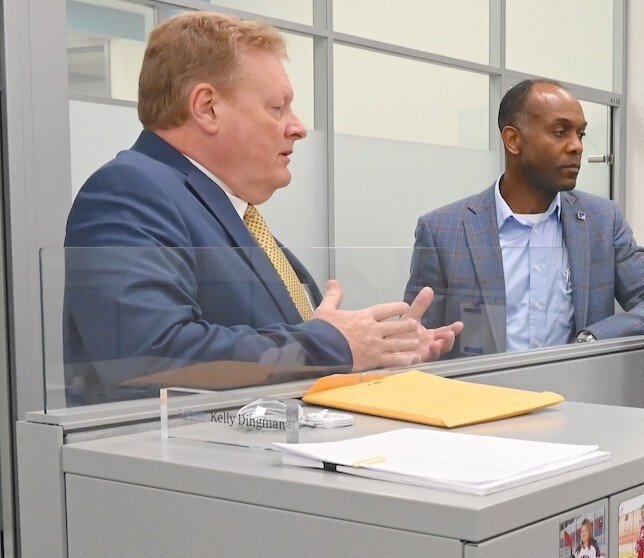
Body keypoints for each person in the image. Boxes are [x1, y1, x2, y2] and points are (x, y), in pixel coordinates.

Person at [62, 12, 460, 404]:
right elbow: (146, 355)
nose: (299, 127)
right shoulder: (128, 192)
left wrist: (380, 353)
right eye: (277, 108)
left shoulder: (227, 211)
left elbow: (283, 356)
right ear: (207, 108)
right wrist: (336, 344)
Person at [405, 79, 644, 357]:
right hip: (483, 396)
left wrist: (594, 339)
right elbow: (419, 341)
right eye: (560, 132)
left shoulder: (602, 221)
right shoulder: (443, 231)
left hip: (578, 398)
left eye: (581, 134)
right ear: (514, 140)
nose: (577, 147)